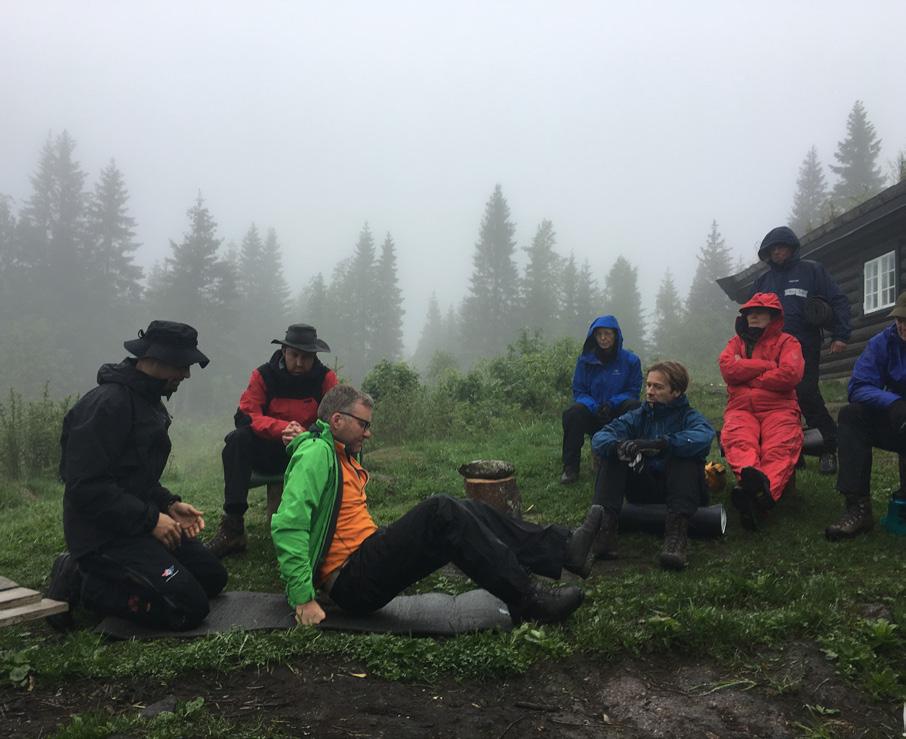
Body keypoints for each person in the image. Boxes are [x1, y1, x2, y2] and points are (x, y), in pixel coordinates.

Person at [272, 385, 603, 627]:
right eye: (364, 424)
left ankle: (564, 548)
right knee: (440, 510)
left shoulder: (338, 452)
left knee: (461, 509)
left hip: (365, 559)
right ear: (337, 420)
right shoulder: (316, 454)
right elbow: (289, 525)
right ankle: (530, 599)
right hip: (351, 580)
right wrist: (303, 598)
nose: (368, 433)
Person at [46, 321, 227, 631]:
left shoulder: (148, 402)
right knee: (189, 605)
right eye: (182, 365)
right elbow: (85, 486)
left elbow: (134, 478)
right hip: (102, 536)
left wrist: (168, 504)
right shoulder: (106, 405)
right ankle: (82, 579)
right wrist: (150, 520)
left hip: (135, 524)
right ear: (155, 359)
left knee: (213, 577)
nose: (186, 374)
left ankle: (143, 572)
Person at [207, 324, 338, 558]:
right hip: (268, 450)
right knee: (237, 440)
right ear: (284, 351)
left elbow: (336, 417)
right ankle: (233, 527)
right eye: (294, 355)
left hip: (309, 451)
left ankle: (327, 527)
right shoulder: (263, 375)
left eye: (306, 357)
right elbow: (247, 415)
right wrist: (282, 429)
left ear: (315, 356)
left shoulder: (326, 378)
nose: (299, 363)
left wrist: (307, 434)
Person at [590, 362, 715, 570]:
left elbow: (703, 437)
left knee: (684, 456)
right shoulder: (638, 415)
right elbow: (601, 436)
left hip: (682, 491)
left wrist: (662, 444)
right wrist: (619, 446)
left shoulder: (689, 417)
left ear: (676, 391)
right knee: (614, 453)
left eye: (657, 387)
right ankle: (604, 532)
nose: (649, 392)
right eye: (648, 385)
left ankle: (676, 540)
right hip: (646, 487)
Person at [751, 226, 850, 474]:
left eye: (781, 247)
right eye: (772, 249)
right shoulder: (763, 281)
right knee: (779, 400)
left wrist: (840, 334)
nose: (777, 252)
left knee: (806, 395)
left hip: (804, 346)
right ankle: (792, 452)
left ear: (792, 248)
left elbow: (837, 300)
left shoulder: (812, 270)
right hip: (770, 350)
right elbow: (751, 314)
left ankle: (828, 448)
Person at [718, 293, 805, 530]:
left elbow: (790, 374)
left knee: (779, 447)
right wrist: (767, 367)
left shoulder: (788, 342)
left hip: (779, 407)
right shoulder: (735, 343)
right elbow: (728, 369)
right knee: (738, 441)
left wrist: (747, 377)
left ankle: (755, 496)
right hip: (741, 408)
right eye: (749, 312)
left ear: (774, 317)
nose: (752, 316)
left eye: (760, 312)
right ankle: (758, 494)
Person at [826, 292, 906, 540]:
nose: (903, 326)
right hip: (899, 420)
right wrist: (893, 404)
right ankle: (858, 509)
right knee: (852, 416)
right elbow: (859, 386)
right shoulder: (883, 342)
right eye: (900, 320)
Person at [561, 315, 642, 484]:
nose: (603, 338)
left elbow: (633, 391)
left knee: (634, 406)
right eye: (599, 334)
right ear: (593, 336)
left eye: (607, 334)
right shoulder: (585, 360)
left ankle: (632, 461)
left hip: (617, 414)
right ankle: (570, 469)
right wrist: (594, 407)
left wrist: (611, 404)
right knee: (573, 413)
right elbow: (579, 390)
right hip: (593, 413)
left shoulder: (631, 361)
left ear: (616, 335)